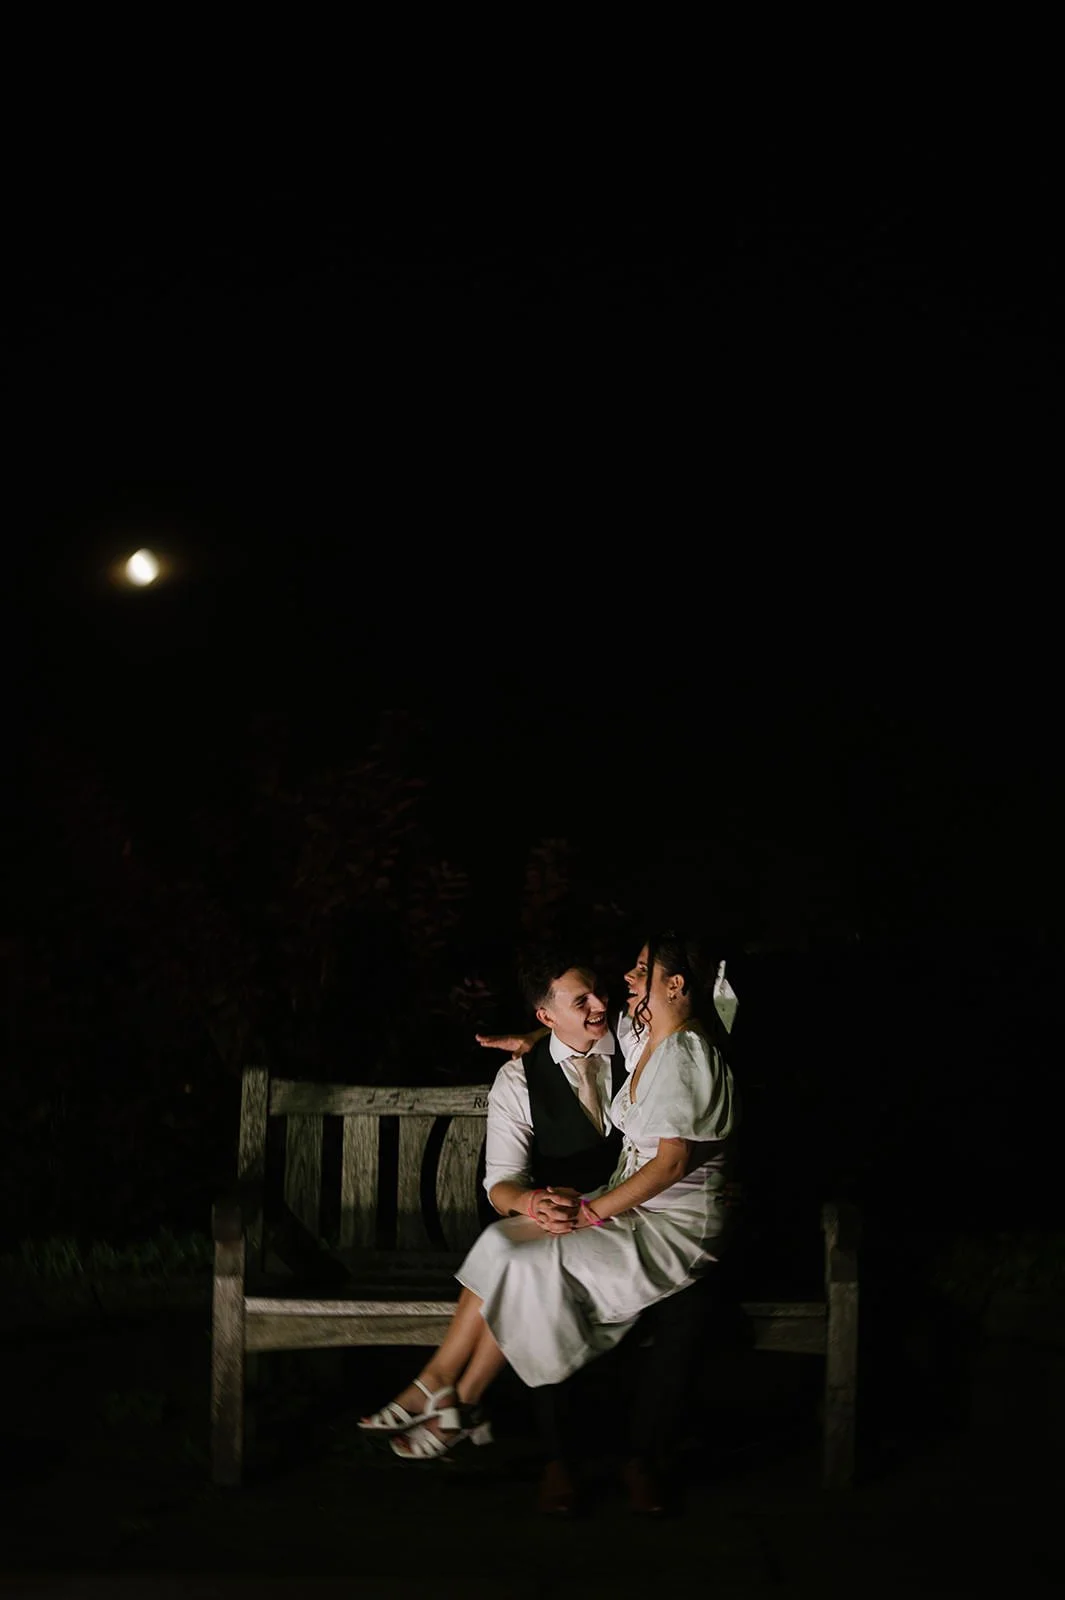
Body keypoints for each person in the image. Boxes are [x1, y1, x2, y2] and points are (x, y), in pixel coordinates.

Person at [359, 931, 740, 1514]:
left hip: (649, 1219)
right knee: (502, 1242)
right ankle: (443, 1387)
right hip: (611, 1207)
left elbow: (675, 1152)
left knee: (532, 1268)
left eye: (629, 977)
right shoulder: (530, 1074)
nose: (609, 997)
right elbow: (500, 1184)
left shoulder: (642, 1038)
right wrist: (534, 1201)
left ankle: (466, 1400)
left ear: (673, 984)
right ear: (546, 1015)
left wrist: (587, 1211)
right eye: (580, 1001)